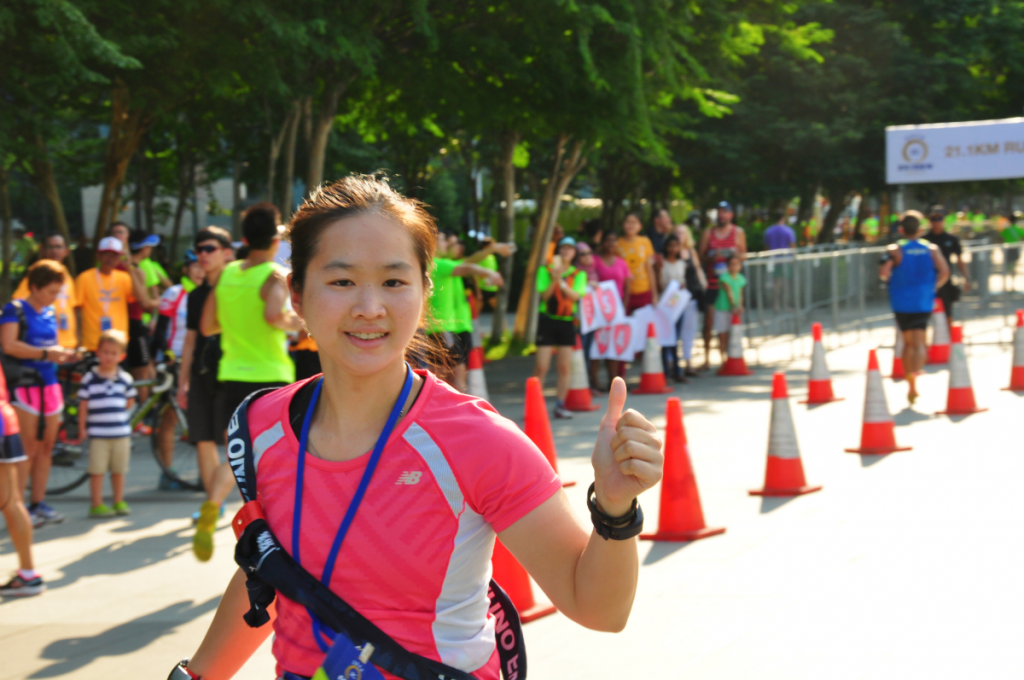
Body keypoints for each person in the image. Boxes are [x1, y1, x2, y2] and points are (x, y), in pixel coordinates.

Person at [180, 174, 664, 680]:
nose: (370, 308)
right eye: (342, 281)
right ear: (296, 294)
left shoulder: (478, 442)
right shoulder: (264, 425)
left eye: (393, 281)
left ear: (424, 290)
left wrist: (614, 508)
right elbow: (273, 570)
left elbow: (599, 610)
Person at [194, 205, 303, 560]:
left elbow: (208, 325)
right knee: (276, 456)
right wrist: (301, 325)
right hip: (270, 376)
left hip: (231, 375)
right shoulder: (274, 275)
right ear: (275, 240)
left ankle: (212, 504)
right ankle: (274, 534)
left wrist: (240, 322)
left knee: (237, 453)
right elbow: (275, 316)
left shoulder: (226, 274)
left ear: (242, 240)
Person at [0, 261, 78, 527]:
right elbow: (9, 345)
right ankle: (18, 507)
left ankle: (39, 502)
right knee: (28, 449)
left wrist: (63, 355)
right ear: (34, 286)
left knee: (46, 447)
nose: (54, 297)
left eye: (57, 292)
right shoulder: (15, 310)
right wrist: (46, 353)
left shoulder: (49, 312)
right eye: (50, 292)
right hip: (24, 386)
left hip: (50, 384)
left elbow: (49, 345)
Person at [177, 227, 232, 551]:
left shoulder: (238, 284)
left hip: (232, 373)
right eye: (199, 249)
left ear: (226, 251)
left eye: (209, 248)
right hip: (201, 372)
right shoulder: (196, 295)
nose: (203, 254)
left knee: (232, 440)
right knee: (202, 438)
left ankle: (218, 498)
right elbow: (191, 339)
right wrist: (183, 378)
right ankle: (215, 502)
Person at [880, 211, 950, 404]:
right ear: (920, 229)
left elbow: (884, 272)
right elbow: (945, 272)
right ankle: (915, 378)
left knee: (907, 342)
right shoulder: (931, 249)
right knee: (919, 342)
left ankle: (909, 380)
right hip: (923, 300)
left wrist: (890, 280)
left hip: (901, 300)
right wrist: (933, 286)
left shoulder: (895, 249)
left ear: (901, 229)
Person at [424, 236, 506, 392]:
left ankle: (447, 411)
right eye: (444, 241)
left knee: (448, 376)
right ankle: (451, 413)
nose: (447, 244)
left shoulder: (444, 265)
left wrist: (491, 251)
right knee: (450, 376)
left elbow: (470, 263)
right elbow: (469, 267)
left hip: (449, 328)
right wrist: (491, 273)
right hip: (442, 328)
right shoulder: (438, 265)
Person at [77, 330, 137, 517]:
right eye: (105, 352)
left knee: (119, 471)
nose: (109, 357)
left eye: (114, 353)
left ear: (121, 356)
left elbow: (130, 400)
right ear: (98, 352)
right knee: (97, 471)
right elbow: (83, 405)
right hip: (98, 434)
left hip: (120, 433)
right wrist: (82, 428)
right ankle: (97, 503)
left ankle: (118, 501)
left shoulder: (125, 379)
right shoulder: (89, 379)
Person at [535, 236, 588, 419]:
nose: (566, 252)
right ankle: (535, 405)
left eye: (570, 249)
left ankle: (560, 404)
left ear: (574, 253)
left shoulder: (579, 274)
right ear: (558, 251)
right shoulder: (545, 270)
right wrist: (554, 279)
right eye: (563, 248)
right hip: (548, 321)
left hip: (566, 322)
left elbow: (575, 297)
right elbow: (545, 296)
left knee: (564, 367)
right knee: (542, 366)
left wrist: (562, 282)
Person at [0, 366, 42, 596]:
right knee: (12, 502)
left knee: (11, 502)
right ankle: (28, 574)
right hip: (4, 421)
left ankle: (28, 575)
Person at [698, 201, 747, 371]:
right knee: (709, 322)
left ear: (731, 215)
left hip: (731, 284)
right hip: (713, 283)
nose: (722, 215)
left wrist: (734, 256)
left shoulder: (738, 232)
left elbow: (744, 255)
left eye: (725, 212)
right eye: (719, 212)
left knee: (728, 322)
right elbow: (700, 256)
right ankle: (706, 358)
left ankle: (727, 357)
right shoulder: (708, 233)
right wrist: (711, 257)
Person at [14, 234, 78, 350]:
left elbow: (71, 308)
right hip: (45, 343)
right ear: (42, 250)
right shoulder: (37, 274)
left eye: (58, 247)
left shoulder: (67, 275)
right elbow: (19, 304)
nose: (54, 251)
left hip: (68, 342)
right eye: (50, 247)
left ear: (66, 251)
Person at [74, 237, 135, 353]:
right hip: (92, 344)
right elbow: (76, 311)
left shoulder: (125, 278)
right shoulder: (84, 278)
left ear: (120, 258)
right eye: (106, 254)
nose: (110, 259)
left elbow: (139, 299)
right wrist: (78, 339)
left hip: (119, 344)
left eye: (114, 255)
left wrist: (130, 268)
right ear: (98, 256)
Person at [593, 230, 632, 389]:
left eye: (614, 241)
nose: (611, 244)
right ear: (603, 243)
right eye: (607, 240)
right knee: (596, 347)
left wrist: (623, 307)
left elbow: (628, 287)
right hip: (598, 312)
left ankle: (613, 382)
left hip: (617, 311)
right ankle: (594, 381)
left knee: (613, 347)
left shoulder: (622, 262)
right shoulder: (595, 261)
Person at [923, 205, 969, 328]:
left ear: (943, 220)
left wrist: (966, 278)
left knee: (947, 313)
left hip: (945, 282)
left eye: (939, 219)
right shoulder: (924, 240)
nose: (936, 222)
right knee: (925, 316)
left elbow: (960, 260)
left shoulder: (951, 239)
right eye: (934, 219)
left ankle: (948, 342)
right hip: (927, 282)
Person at [153, 250, 203, 361]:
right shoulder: (173, 292)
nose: (201, 272)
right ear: (185, 270)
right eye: (196, 266)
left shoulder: (209, 295)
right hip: (173, 356)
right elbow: (160, 328)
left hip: (196, 357)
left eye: (203, 267)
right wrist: (166, 351)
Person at [656, 235, 687, 383]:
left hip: (677, 305)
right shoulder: (662, 264)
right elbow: (660, 283)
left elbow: (683, 281)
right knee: (665, 338)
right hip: (665, 305)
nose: (673, 249)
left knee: (676, 338)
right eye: (670, 245)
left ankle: (677, 370)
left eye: (676, 246)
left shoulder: (682, 263)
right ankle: (665, 371)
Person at [674, 225, 704, 378]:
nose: (679, 235)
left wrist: (703, 287)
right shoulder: (670, 253)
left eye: (682, 233)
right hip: (675, 298)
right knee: (674, 331)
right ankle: (672, 362)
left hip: (691, 296)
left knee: (689, 330)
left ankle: (688, 362)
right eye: (677, 232)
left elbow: (698, 270)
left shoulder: (692, 252)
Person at [618, 213, 658, 313]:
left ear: (640, 226)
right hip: (624, 292)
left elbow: (650, 269)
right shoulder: (617, 243)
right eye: (628, 222)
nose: (630, 225)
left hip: (643, 290)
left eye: (634, 222)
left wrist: (654, 295)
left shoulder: (645, 242)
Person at [712, 255, 747, 367]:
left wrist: (740, 305)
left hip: (733, 311)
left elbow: (740, 294)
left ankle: (731, 358)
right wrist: (734, 306)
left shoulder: (741, 278)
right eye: (731, 264)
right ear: (727, 266)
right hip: (722, 309)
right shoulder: (724, 277)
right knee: (723, 335)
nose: (734, 266)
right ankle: (723, 361)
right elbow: (729, 293)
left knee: (733, 335)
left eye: (736, 264)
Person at [573, 241, 599, 386]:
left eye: (589, 253)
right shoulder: (576, 271)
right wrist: (588, 284)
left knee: (590, 351)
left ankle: (588, 383)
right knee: (582, 352)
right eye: (583, 254)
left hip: (593, 319)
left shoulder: (594, 269)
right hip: (580, 320)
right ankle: (582, 384)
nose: (587, 257)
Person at [1001, 212, 1022, 290]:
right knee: (1014, 265)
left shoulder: (1007, 229)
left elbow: (1001, 236)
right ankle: (1012, 283)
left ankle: (1007, 284)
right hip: (1016, 249)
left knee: (1008, 266)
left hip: (1008, 249)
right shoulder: (1018, 229)